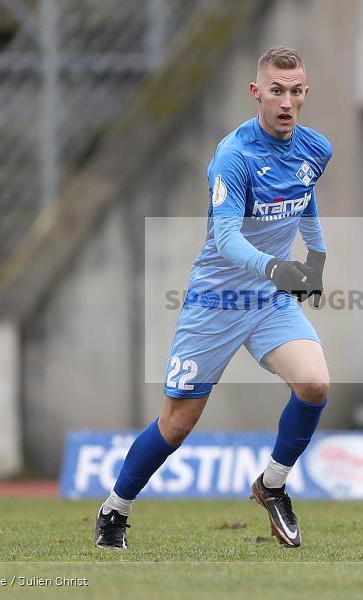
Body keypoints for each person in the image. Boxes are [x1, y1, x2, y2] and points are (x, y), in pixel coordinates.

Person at [95, 46, 332, 549]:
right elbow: (224, 238)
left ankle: (272, 486)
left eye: (295, 92)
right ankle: (115, 511)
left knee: (314, 384)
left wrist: (317, 255)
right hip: (216, 301)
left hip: (269, 300)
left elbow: (306, 195)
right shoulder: (234, 156)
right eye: (276, 91)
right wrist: (275, 265)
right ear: (256, 93)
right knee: (177, 424)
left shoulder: (317, 148)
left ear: (305, 93)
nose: (286, 102)